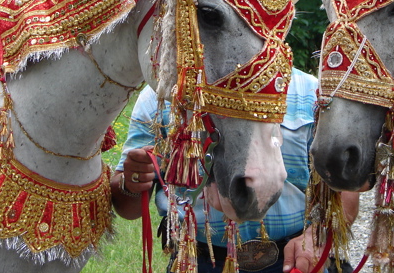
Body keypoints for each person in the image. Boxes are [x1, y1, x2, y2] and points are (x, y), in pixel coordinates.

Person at [111, 68, 359, 273]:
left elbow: (345, 191)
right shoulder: (159, 98)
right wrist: (131, 183)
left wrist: (316, 237)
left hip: (294, 260)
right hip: (200, 262)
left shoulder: (310, 92)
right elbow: (128, 208)